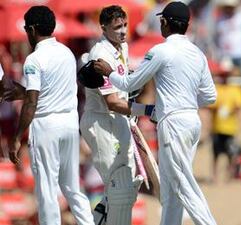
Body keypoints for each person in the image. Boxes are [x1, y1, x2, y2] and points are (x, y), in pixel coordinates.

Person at [93, 2, 218, 225]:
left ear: (165, 23)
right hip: (191, 120)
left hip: (174, 123)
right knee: (170, 191)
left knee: (182, 185)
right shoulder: (197, 52)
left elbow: (129, 83)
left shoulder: (160, 51)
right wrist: (184, 103)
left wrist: (109, 72)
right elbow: (210, 96)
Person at [7, 6, 95, 225]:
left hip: (46, 126)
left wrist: (17, 137)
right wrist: (20, 91)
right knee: (72, 187)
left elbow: (33, 101)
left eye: (27, 29)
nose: (27, 34)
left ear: (34, 29)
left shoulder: (34, 59)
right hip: (69, 124)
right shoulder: (66, 53)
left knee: (46, 189)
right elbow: (47, 91)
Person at [79, 5, 153, 225]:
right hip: (100, 121)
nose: (122, 31)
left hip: (120, 119)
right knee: (118, 185)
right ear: (103, 28)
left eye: (124, 25)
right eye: (117, 27)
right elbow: (111, 102)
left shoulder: (123, 47)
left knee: (127, 186)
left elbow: (124, 87)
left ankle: (100, 219)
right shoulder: (100, 55)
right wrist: (147, 110)